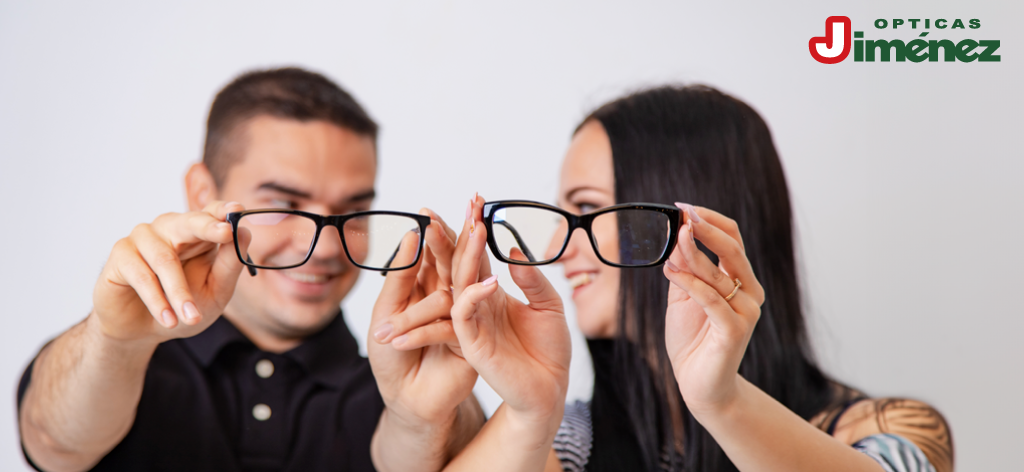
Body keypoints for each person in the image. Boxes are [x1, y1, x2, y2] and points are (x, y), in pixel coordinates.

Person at [385, 85, 954, 471]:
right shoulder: (573, 441)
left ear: (682, 225)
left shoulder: (880, 429)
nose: (560, 253)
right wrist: (530, 412)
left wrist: (720, 400)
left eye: (586, 209)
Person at [17, 67, 483, 472]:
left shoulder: (402, 387)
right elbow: (54, 445)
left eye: (350, 212)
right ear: (203, 194)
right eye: (283, 204)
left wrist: (425, 419)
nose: (323, 247)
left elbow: (438, 455)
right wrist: (115, 341)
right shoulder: (117, 365)